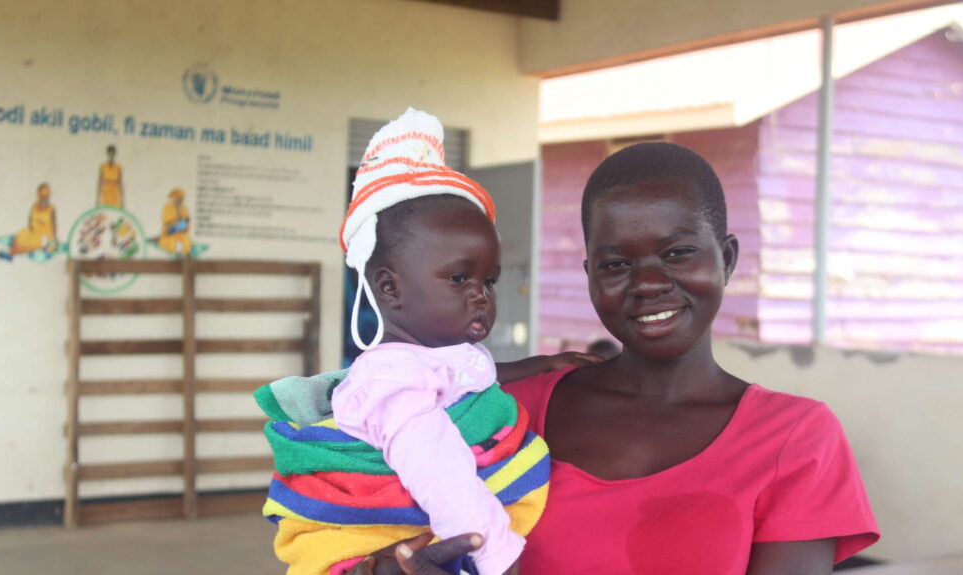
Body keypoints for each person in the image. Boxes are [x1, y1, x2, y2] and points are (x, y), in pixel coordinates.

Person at [350, 142, 880, 575]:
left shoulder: (795, 438)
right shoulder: (500, 412)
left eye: (677, 253)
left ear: (728, 259)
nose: (648, 283)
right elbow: (365, 527)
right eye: (616, 263)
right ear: (590, 276)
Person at [256, 108, 598, 575]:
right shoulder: (392, 379)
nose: (480, 296)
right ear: (389, 288)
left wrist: (539, 363)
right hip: (397, 538)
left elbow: (470, 378)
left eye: (490, 280)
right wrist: (495, 553)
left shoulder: (428, 356)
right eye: (459, 278)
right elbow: (441, 471)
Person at [0, 182, 58, 260]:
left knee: (28, 243)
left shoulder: (51, 209)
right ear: (38, 196)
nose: (44, 200)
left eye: (46, 197)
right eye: (42, 197)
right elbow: (30, 221)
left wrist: (53, 242)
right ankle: (10, 252)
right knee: (20, 236)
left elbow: (54, 225)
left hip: (44, 236)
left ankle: (11, 254)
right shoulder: (34, 206)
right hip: (33, 231)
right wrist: (31, 231)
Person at [157, 188, 192, 255]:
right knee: (172, 244)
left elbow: (186, 223)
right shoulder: (168, 207)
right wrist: (176, 225)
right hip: (170, 234)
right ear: (173, 198)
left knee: (186, 242)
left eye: (180, 199)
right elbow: (166, 224)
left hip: (182, 233)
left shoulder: (184, 208)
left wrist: (179, 211)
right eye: (176, 198)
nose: (178, 200)